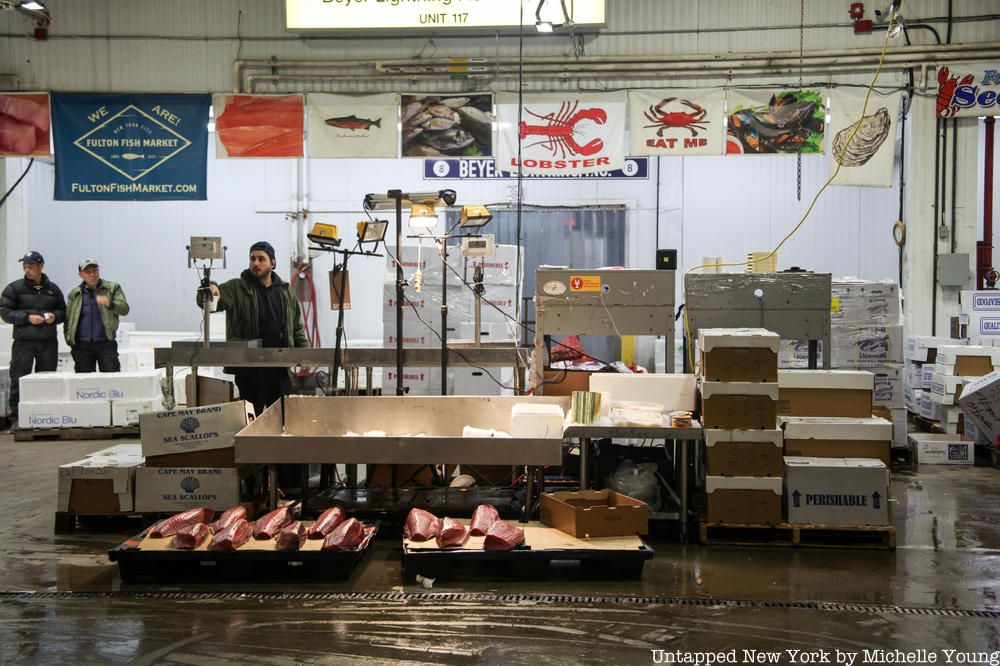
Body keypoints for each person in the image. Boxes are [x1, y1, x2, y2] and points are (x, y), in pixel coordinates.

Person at [196, 241, 308, 416]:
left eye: (261, 259)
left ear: (273, 263)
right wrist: (210, 290)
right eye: (252, 259)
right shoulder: (236, 288)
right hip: (249, 370)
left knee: (282, 421)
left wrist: (305, 355)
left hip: (279, 368)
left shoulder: (286, 292)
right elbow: (211, 303)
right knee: (249, 421)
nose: (255, 263)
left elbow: (296, 327)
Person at [0, 251, 67, 425]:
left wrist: (55, 316)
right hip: (24, 343)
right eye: (24, 266)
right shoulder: (14, 289)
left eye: (30, 266)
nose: (27, 270)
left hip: (48, 342)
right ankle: (17, 420)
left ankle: (45, 418)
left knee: (46, 379)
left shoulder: (53, 289)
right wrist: (27, 318)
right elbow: (5, 312)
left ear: (41, 267)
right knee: (19, 379)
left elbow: (63, 311)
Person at [64, 259, 130, 373]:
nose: (92, 274)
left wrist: (110, 304)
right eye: (87, 272)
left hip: (106, 344)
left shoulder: (112, 287)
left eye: (94, 270)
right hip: (82, 347)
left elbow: (124, 309)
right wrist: (70, 341)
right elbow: (68, 319)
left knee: (111, 381)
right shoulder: (74, 294)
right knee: (83, 384)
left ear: (99, 270)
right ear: (80, 275)